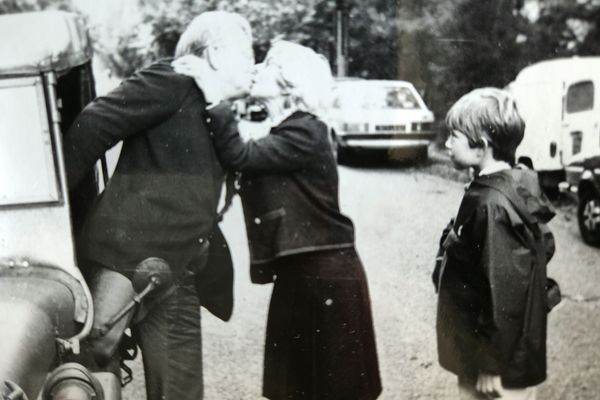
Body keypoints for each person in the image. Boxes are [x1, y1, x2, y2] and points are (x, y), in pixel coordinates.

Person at [62, 11, 254, 400]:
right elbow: (92, 125)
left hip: (179, 270)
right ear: (215, 54)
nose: (254, 65)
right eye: (247, 54)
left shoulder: (215, 103)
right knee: (86, 376)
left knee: (181, 392)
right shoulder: (172, 79)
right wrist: (64, 213)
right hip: (125, 262)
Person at [175, 40, 382, 399]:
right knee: (299, 388)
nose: (256, 68)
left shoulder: (307, 131)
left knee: (328, 389)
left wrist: (214, 96)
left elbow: (239, 155)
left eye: (267, 64)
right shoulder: (292, 129)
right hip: (305, 272)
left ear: (290, 81)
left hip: (323, 275)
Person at [433, 87, 556, 400]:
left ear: (481, 147)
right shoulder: (509, 187)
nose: (446, 143)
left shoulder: (493, 204)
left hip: (495, 366)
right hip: (498, 351)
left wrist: (490, 362)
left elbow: (505, 288)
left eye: (454, 136)